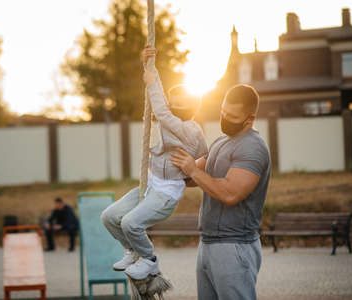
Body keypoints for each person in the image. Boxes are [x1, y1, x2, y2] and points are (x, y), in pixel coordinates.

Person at [100, 45, 208, 280]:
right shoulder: (170, 124)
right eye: (172, 100)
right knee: (109, 217)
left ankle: (149, 260)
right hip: (149, 186)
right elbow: (160, 107)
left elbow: (162, 110)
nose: (170, 105)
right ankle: (131, 250)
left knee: (130, 223)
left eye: (176, 102)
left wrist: (153, 79)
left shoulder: (189, 129)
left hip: (166, 195)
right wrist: (148, 65)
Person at [170, 84, 271, 300]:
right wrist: (169, 160)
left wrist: (191, 169)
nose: (224, 118)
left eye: (232, 115)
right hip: (207, 243)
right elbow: (191, 176)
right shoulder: (220, 142)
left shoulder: (253, 148)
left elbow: (230, 194)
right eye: (223, 111)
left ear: (250, 119)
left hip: (234, 247)